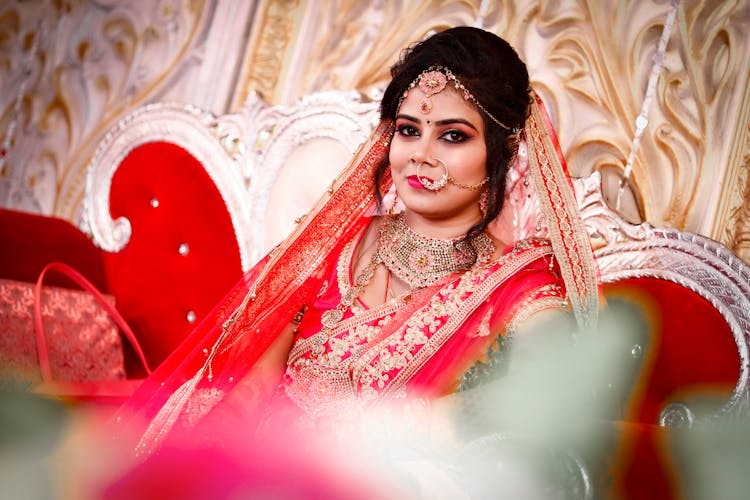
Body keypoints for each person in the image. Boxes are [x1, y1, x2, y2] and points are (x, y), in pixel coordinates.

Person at [114, 26, 599, 461]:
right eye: (409, 130)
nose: (421, 156)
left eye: (453, 136)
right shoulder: (338, 246)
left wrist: (385, 429)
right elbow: (247, 392)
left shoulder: (518, 290)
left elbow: (545, 397)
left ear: (501, 151)